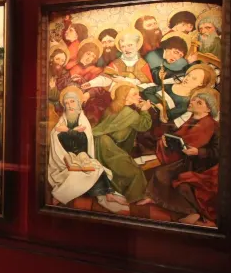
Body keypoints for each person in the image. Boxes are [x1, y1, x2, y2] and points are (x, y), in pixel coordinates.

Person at [139, 89, 220, 225]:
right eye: (194, 99)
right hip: (185, 159)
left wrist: (198, 152)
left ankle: (194, 213)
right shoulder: (191, 119)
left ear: (208, 109)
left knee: (173, 179)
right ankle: (154, 198)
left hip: (202, 165)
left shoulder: (214, 127)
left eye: (199, 102)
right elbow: (178, 134)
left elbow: (217, 152)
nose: (192, 102)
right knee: (161, 173)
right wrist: (166, 138)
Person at [47, 87, 125, 212]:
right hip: (63, 159)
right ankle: (60, 196)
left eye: (72, 101)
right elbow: (56, 137)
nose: (69, 106)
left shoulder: (83, 120)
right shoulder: (63, 120)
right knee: (83, 173)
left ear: (78, 103)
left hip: (82, 156)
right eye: (66, 103)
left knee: (97, 168)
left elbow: (84, 140)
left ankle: (107, 194)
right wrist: (72, 132)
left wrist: (67, 132)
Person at [91, 85, 153, 203]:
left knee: (119, 169)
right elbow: (144, 125)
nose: (139, 97)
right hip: (108, 146)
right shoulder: (129, 113)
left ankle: (117, 194)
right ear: (125, 97)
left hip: (100, 143)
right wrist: (145, 110)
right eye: (134, 94)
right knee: (134, 171)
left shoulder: (112, 108)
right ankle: (134, 198)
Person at [142, 63, 217, 127]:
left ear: (201, 84)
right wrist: (161, 108)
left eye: (194, 78)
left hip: (149, 118)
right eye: (188, 75)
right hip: (143, 104)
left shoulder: (186, 102)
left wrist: (156, 106)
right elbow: (147, 91)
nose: (187, 78)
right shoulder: (172, 84)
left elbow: (165, 117)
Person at [82, 30, 153, 90]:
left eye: (130, 45)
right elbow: (106, 78)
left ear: (137, 45)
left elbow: (149, 85)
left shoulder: (143, 64)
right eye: (123, 46)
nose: (126, 49)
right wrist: (91, 83)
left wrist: (124, 80)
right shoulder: (116, 63)